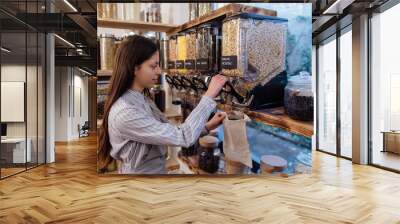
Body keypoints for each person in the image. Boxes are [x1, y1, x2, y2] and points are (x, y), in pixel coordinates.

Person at [98, 35, 227, 174]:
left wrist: (207, 127)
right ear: (135, 68)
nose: (159, 71)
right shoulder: (125, 112)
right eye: (153, 66)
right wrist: (209, 95)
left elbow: (169, 131)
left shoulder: (142, 99)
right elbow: (183, 136)